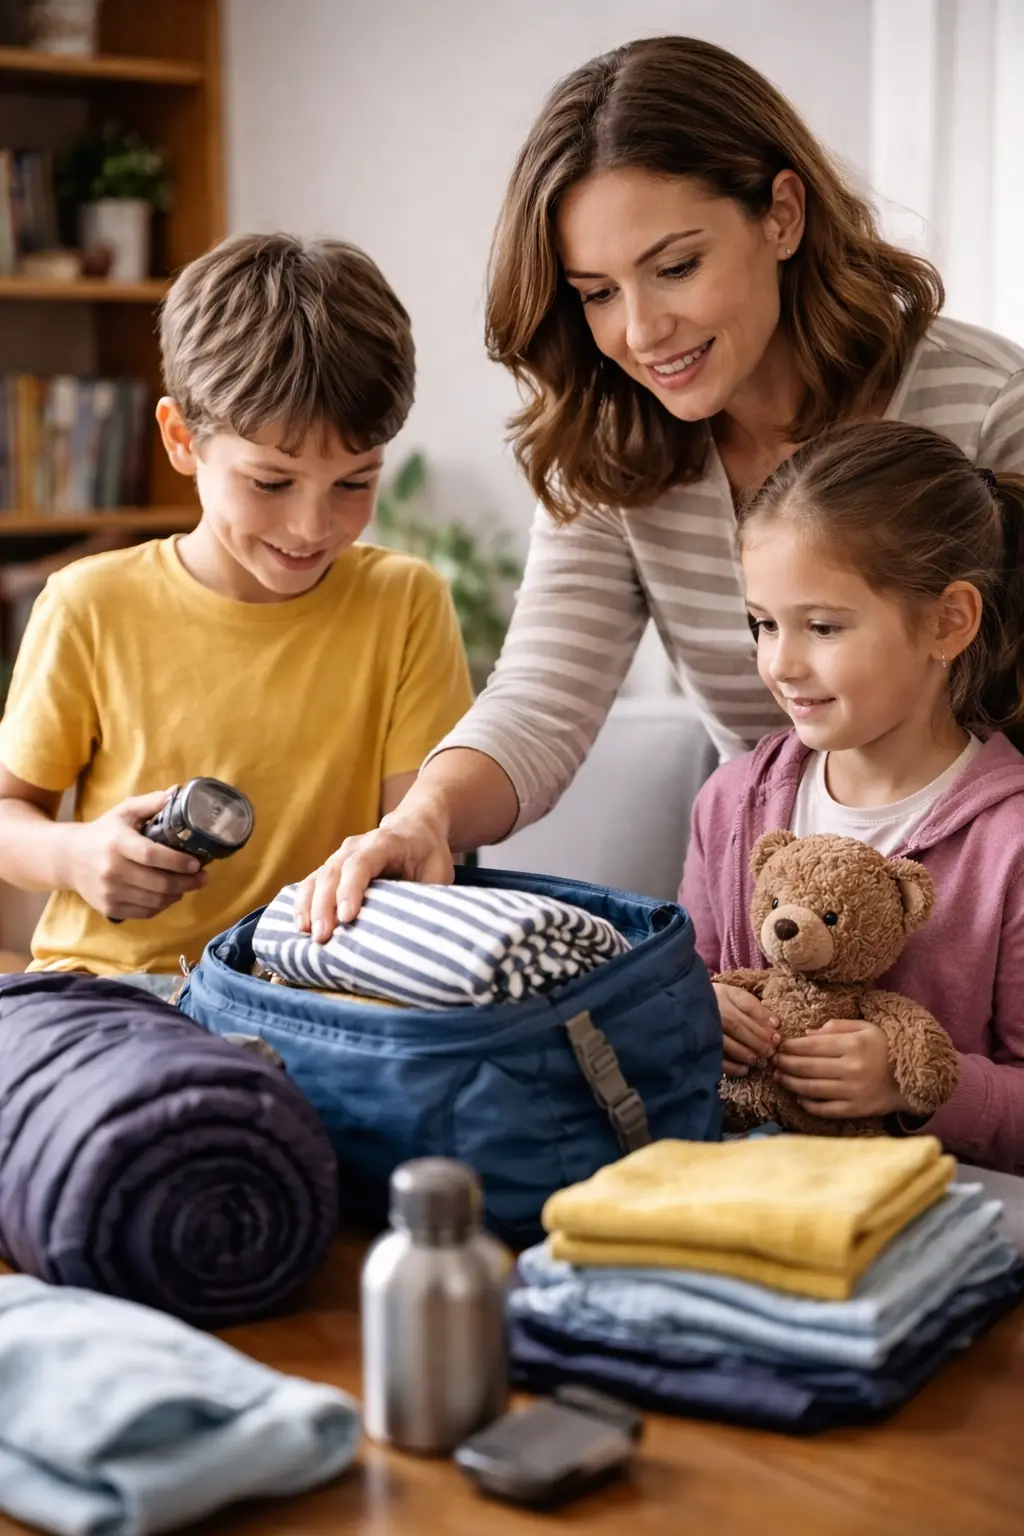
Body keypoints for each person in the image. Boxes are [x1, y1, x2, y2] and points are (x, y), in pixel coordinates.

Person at [294, 34, 1024, 943]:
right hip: (769, 918)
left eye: (676, 267)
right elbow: (541, 698)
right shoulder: (608, 449)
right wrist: (421, 819)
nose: (641, 332)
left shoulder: (988, 405)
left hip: (988, 923)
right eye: (596, 292)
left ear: (783, 214)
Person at [0, 233, 473, 992]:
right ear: (182, 440)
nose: (312, 527)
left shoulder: (405, 603)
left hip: (311, 991)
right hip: (112, 986)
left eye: (354, 483)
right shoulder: (91, 604)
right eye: (272, 483)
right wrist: (76, 856)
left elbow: (409, 837)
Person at [680, 419, 1024, 1172]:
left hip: (934, 1221)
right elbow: (674, 986)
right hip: (743, 1192)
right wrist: (696, 1012)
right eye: (763, 624)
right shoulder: (731, 804)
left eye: (823, 626)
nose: (781, 663)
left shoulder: (1012, 845)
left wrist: (919, 1086)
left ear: (947, 622)